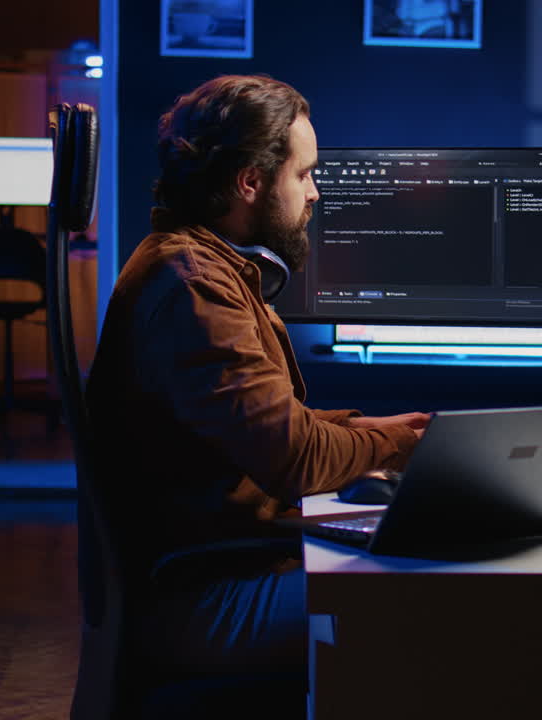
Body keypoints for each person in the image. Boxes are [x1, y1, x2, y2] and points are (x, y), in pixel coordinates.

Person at [86, 75, 429, 688]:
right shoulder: (194, 287)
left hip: (223, 568)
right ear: (250, 182)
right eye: (304, 175)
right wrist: (405, 446)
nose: (316, 193)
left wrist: (378, 429)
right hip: (204, 599)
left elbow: (270, 425)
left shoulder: (200, 265)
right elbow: (293, 457)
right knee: (433, 599)